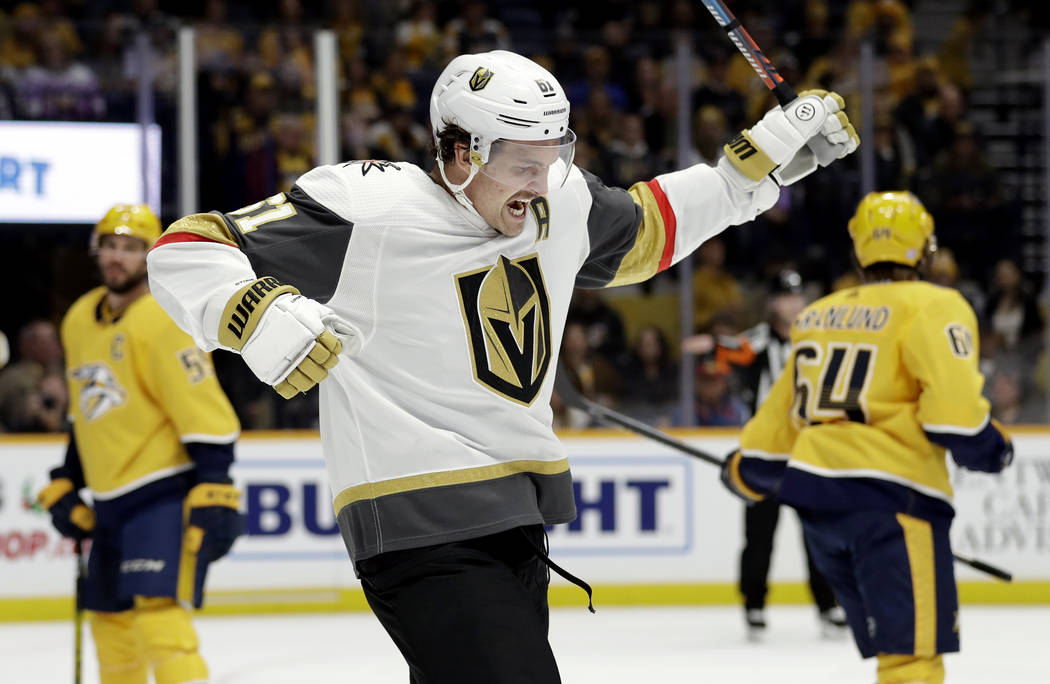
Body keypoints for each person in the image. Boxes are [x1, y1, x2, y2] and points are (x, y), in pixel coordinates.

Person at [147, 49, 857, 682]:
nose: (543, 182)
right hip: (418, 526)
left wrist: (754, 165)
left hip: (516, 518)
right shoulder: (369, 207)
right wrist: (253, 311)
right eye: (523, 163)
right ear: (459, 154)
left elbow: (648, 229)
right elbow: (186, 248)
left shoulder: (558, 202)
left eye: (555, 156)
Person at [721, 191, 1013, 684]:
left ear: (858, 252)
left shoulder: (819, 315)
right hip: (893, 502)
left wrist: (743, 474)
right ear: (924, 250)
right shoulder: (934, 305)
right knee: (911, 658)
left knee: (891, 650)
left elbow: (772, 438)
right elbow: (955, 420)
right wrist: (994, 449)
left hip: (821, 515)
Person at [36, 204, 242, 684]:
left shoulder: (166, 319)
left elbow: (202, 410)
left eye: (129, 248)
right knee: (109, 623)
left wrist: (215, 483)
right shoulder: (78, 320)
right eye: (109, 245)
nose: (116, 257)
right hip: (108, 499)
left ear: (150, 255)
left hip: (161, 493)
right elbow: (85, 409)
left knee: (159, 618)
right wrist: (70, 476)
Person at [713, 270, 847, 640]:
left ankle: (828, 604)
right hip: (765, 453)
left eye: (797, 295)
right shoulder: (758, 342)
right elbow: (727, 352)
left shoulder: (818, 339)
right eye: (785, 296)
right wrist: (712, 347)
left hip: (809, 452)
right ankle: (754, 605)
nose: (792, 303)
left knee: (819, 534)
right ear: (772, 303)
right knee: (760, 536)